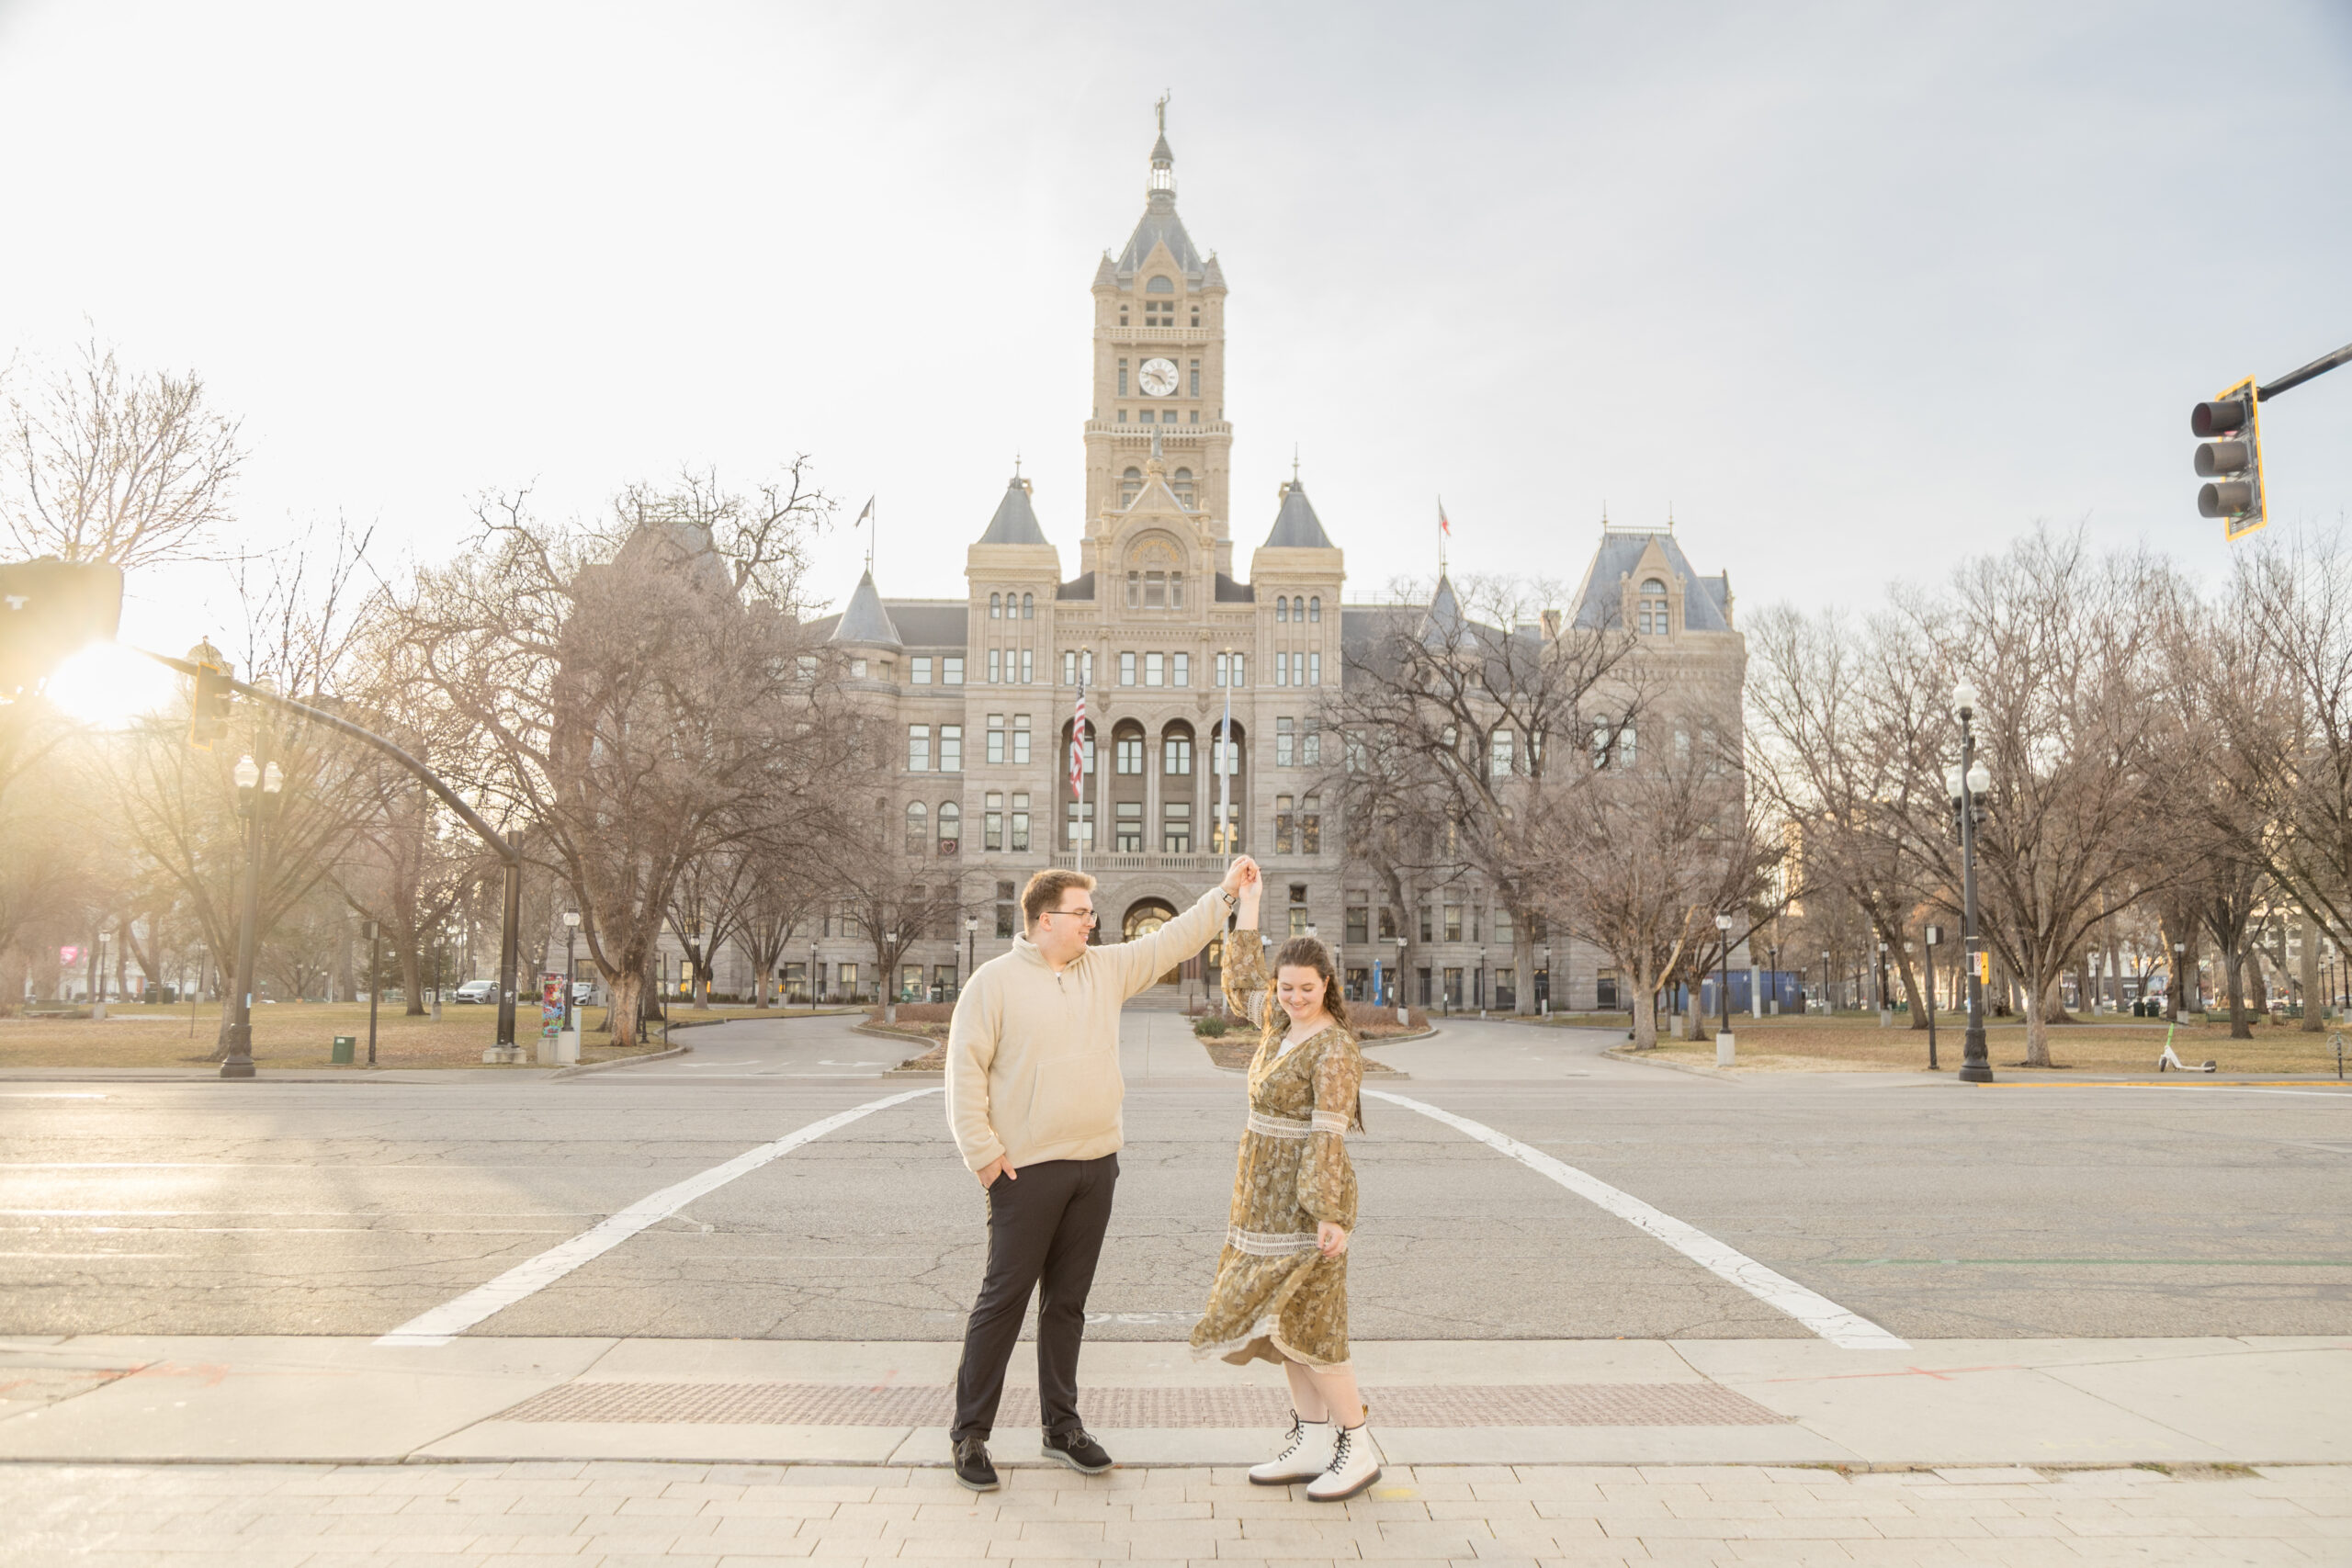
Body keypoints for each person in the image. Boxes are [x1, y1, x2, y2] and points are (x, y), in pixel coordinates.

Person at [944, 856, 1259, 1492]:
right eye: (1081, 912)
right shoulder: (994, 981)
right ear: (1042, 919)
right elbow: (964, 1068)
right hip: (1024, 1171)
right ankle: (971, 1434)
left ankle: (1062, 1427)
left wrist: (1227, 893)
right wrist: (982, 1152)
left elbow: (1174, 938)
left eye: (1092, 912)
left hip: (1096, 1164)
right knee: (1002, 1302)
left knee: (1068, 1305)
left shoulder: (1105, 969)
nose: (1092, 920)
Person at [1189, 861, 1378, 1501]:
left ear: (1328, 985)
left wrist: (1329, 1212)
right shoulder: (1277, 1026)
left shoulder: (1334, 1047)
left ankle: (1358, 1443)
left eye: (1306, 988)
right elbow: (1241, 978)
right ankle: (1310, 1441)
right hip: (1261, 1202)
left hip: (1307, 1206)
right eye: (1287, 987)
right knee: (1284, 1327)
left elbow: (1328, 1133)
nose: (1294, 997)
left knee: (1318, 1327)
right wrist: (1251, 901)